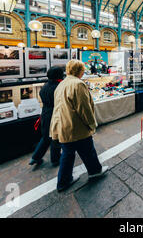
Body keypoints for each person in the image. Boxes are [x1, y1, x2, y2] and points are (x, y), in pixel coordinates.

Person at [50, 60, 108, 192]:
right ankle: (95, 171)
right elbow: (84, 108)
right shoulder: (78, 84)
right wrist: (92, 124)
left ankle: (63, 181)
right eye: (83, 70)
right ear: (80, 71)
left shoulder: (61, 84)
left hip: (63, 126)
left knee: (68, 154)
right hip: (76, 126)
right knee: (88, 151)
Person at [29, 66, 64, 167]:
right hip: (55, 114)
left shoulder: (45, 86)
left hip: (45, 113)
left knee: (45, 137)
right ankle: (55, 159)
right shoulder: (59, 87)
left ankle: (35, 157)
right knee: (55, 137)